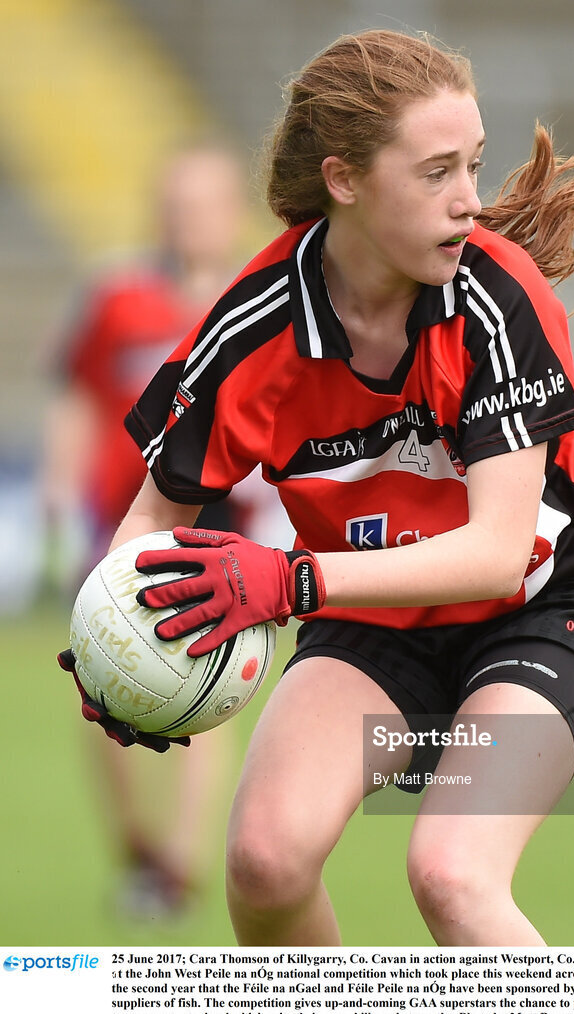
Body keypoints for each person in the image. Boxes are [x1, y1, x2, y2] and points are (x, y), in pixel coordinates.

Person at [60, 30, 574, 944]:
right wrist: (120, 642)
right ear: (345, 179)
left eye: (474, 167)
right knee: (264, 860)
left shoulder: (497, 299)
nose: (468, 201)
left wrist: (289, 580)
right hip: (374, 622)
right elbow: (154, 516)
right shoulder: (253, 329)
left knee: (451, 875)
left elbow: (496, 553)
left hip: (546, 606)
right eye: (435, 173)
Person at [47, 144, 252, 917]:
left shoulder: (250, 300)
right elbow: (76, 393)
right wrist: (62, 495)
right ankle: (139, 846)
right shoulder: (116, 297)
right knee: (96, 691)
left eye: (201, 205)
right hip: (119, 522)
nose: (185, 220)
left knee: (206, 684)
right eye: (175, 204)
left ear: (230, 213)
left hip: (217, 522)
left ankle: (182, 863)